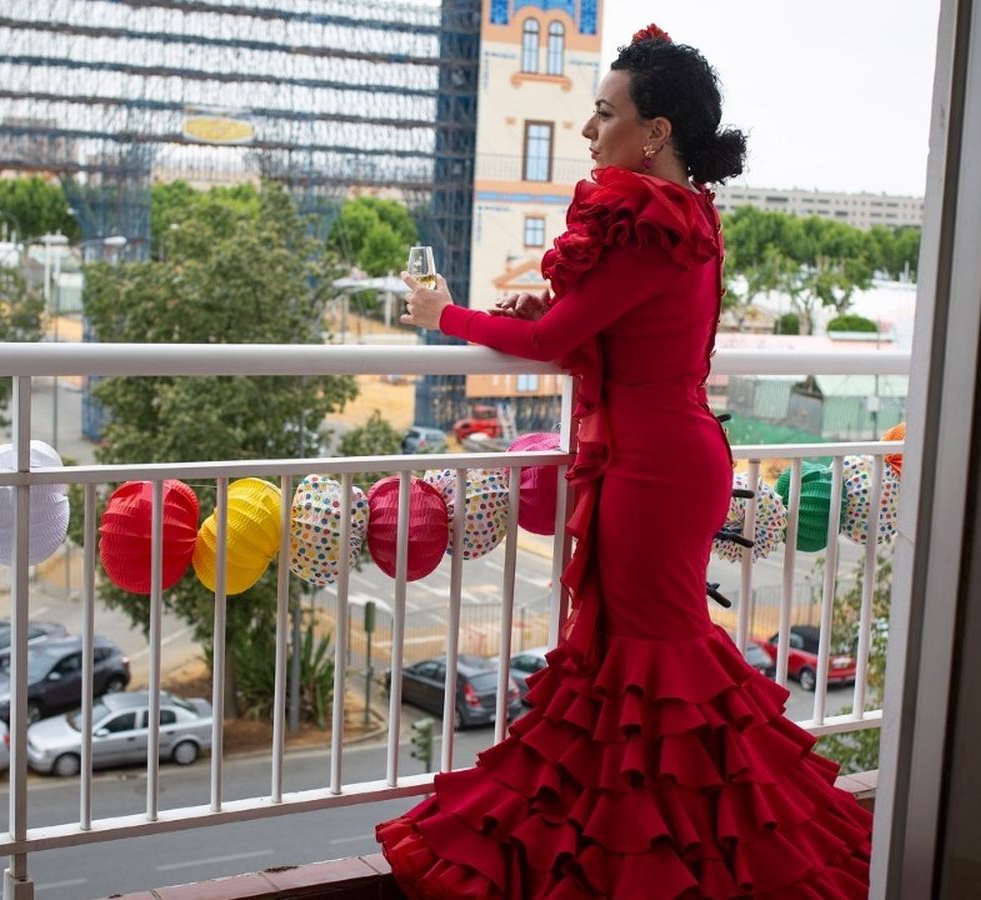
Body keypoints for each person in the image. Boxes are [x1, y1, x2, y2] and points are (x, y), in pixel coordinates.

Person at [374, 24, 873, 899]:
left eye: (604, 114)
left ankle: (699, 863)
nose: (589, 130)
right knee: (632, 666)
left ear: (657, 131)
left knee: (652, 666)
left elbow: (551, 338)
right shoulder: (681, 217)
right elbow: (610, 332)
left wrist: (441, 314)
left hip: (654, 469)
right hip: (666, 453)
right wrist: (559, 312)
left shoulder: (653, 219)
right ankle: (644, 858)